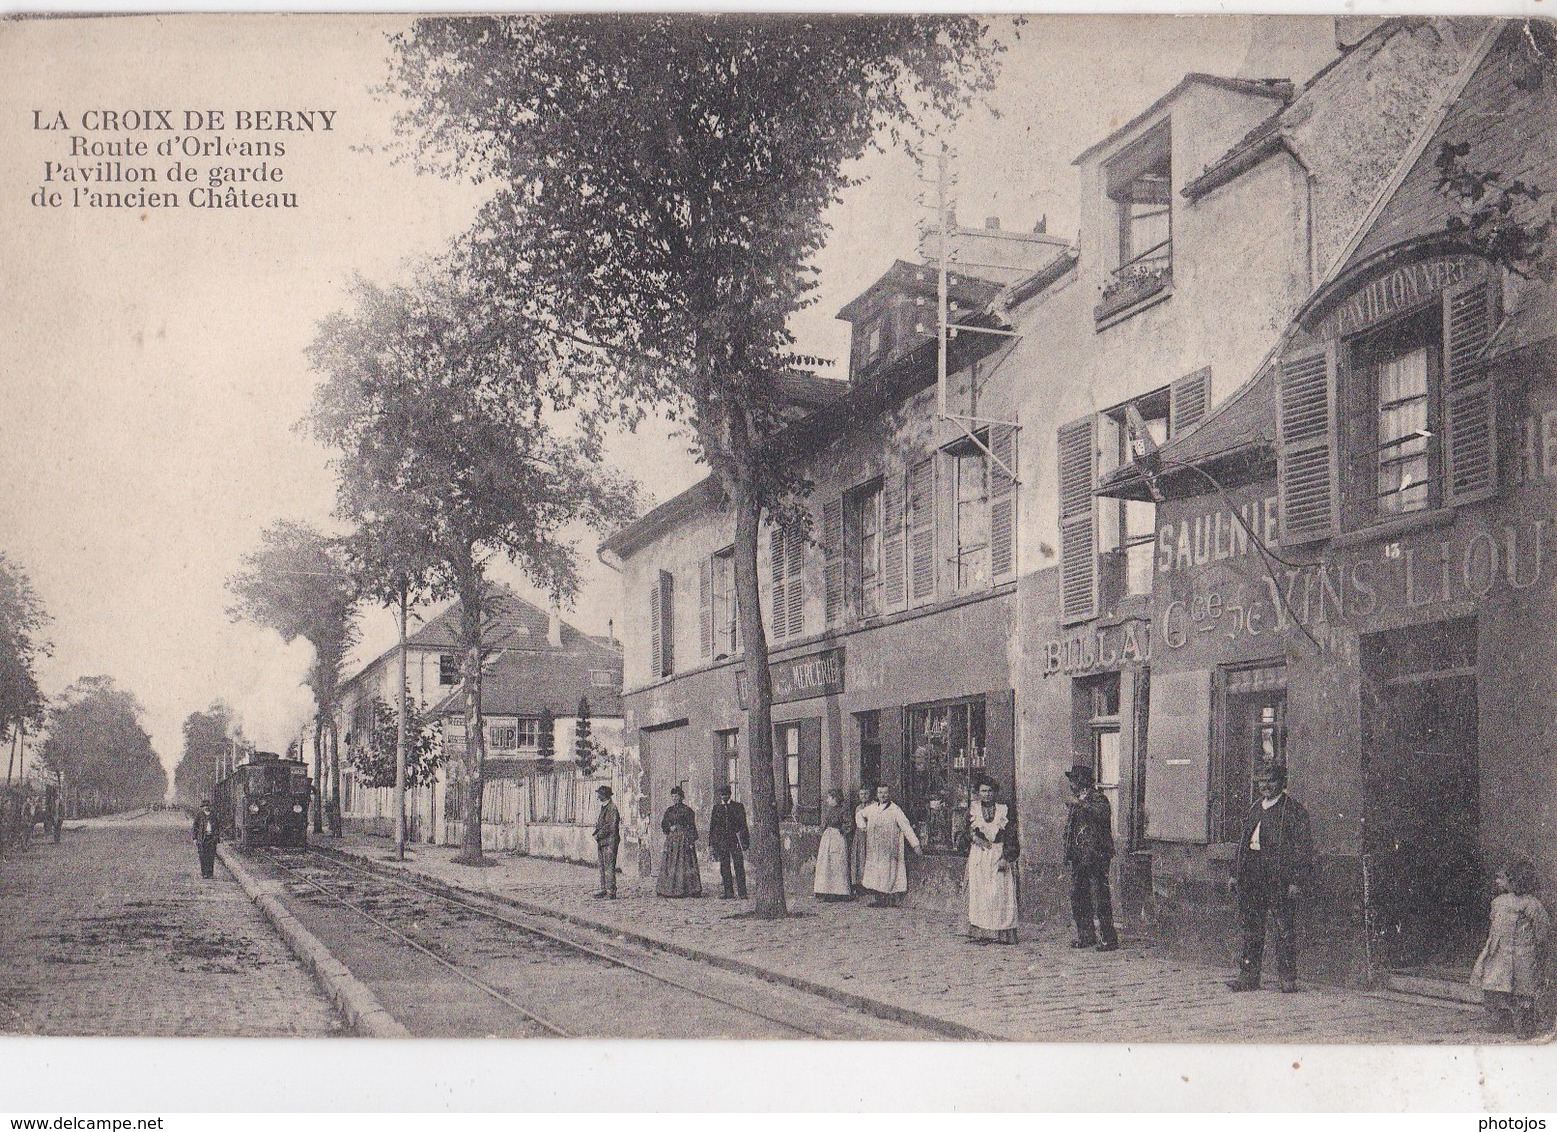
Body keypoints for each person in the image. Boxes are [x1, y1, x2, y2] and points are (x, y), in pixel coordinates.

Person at [1227, 763, 1315, 992]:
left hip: (1278, 877)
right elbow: (1243, 844)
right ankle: (1248, 976)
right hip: (1252, 875)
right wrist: (1235, 875)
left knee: (1283, 928)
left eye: (1271, 781)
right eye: (1262, 781)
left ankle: (1287, 978)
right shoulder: (1255, 807)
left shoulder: (1293, 811)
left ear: (1281, 783)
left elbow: (1302, 848)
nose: (1266, 786)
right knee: (1251, 928)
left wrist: (1296, 880)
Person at [1471, 858, 1550, 1037]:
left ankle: (1524, 1025)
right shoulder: (1498, 902)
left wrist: (1538, 949)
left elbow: (1542, 929)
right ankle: (1499, 1020)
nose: (1498, 882)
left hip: (1522, 954)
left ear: (1515, 880)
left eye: (1502, 878)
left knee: (1522, 991)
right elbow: (1494, 924)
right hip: (1499, 951)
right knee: (1494, 986)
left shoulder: (1531, 904)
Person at [1064, 763, 1119, 951]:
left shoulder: (1099, 799)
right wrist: (1069, 852)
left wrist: (1081, 804)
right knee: (1078, 896)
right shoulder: (1078, 800)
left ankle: (1108, 938)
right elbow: (1071, 829)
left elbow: (1101, 814)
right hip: (1079, 856)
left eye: (1074, 780)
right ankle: (1086, 936)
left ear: (1083, 782)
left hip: (1097, 855)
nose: (1071, 784)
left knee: (1099, 897)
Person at [967, 777, 1019, 943]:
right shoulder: (973, 809)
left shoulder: (1003, 810)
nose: (987, 794)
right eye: (983, 791)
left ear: (995, 793)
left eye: (990, 791)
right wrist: (973, 837)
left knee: (1000, 893)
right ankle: (982, 932)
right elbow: (962, 831)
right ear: (978, 793)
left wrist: (1006, 857)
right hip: (979, 855)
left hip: (998, 853)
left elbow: (1011, 835)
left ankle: (1002, 932)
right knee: (980, 893)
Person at [857, 783, 921, 907]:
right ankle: (878, 898)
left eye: (885, 792)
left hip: (889, 848)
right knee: (875, 872)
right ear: (877, 794)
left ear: (889, 794)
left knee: (887, 873)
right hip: (875, 847)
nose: (883, 795)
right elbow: (859, 814)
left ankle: (886, 899)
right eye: (880, 793)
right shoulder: (872, 808)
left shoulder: (895, 810)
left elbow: (906, 827)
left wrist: (915, 845)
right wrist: (862, 826)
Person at [656, 786, 703, 898]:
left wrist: (691, 841)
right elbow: (663, 824)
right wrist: (669, 827)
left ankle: (688, 889)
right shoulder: (669, 810)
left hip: (684, 840)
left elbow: (692, 826)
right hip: (672, 841)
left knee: (685, 863)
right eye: (673, 796)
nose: (675, 798)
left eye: (677, 796)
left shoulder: (688, 810)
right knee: (670, 864)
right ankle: (668, 890)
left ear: (681, 797)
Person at [708, 785, 750, 899]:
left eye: (726, 794)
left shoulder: (738, 807)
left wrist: (745, 842)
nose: (724, 797)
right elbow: (713, 827)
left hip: (735, 840)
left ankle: (742, 892)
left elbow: (743, 825)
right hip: (722, 841)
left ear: (730, 794)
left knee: (738, 865)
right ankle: (728, 892)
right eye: (722, 795)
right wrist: (712, 843)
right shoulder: (716, 808)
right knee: (724, 866)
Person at [814, 789, 853, 901]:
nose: (827, 800)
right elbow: (824, 824)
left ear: (835, 798)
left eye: (829, 798)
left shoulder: (843, 810)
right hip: (827, 838)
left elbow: (849, 824)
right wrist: (822, 829)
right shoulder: (828, 810)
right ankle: (826, 890)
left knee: (837, 863)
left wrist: (842, 830)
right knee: (826, 863)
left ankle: (839, 892)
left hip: (837, 837)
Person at [592, 784, 621, 899]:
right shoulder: (605, 807)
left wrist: (598, 835)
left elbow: (610, 826)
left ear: (604, 795)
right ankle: (603, 888)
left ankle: (611, 891)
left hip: (610, 841)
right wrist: (596, 834)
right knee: (602, 866)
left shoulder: (612, 808)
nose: (598, 795)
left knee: (609, 866)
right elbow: (601, 824)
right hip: (603, 841)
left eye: (599, 793)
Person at [850, 785, 872, 895]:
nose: (864, 796)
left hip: (870, 835)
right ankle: (859, 884)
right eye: (861, 794)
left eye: (866, 794)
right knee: (859, 858)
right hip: (860, 835)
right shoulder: (858, 808)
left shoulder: (873, 805)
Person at [192, 800, 219, 879]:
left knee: (211, 856)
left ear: (210, 807)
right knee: (202, 856)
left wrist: (216, 837)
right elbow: (195, 827)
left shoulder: (214, 815)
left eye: (207, 806)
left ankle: (210, 873)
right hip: (202, 838)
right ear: (202, 807)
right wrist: (195, 838)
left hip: (211, 837)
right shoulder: (199, 815)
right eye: (204, 806)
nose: (206, 807)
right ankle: (204, 873)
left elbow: (217, 826)